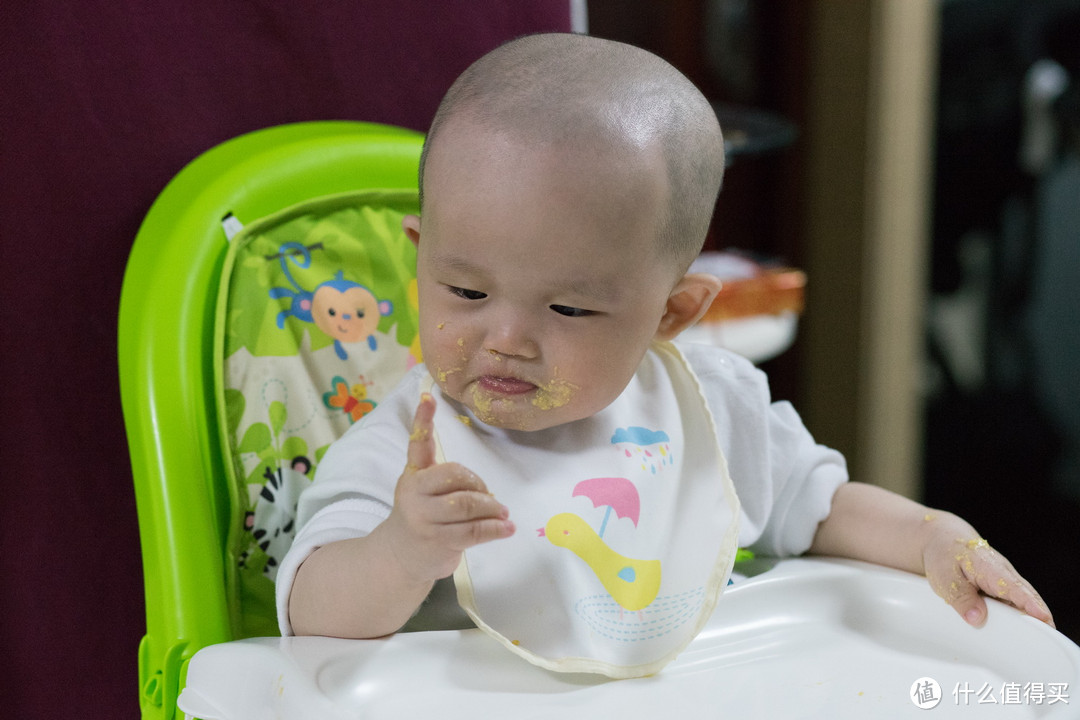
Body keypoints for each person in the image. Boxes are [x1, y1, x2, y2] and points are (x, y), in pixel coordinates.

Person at [277, 32, 1053, 673]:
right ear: (419, 260)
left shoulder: (709, 407)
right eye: (467, 294)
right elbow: (311, 615)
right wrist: (401, 552)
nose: (506, 339)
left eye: (570, 307)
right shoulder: (409, 451)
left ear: (671, 313)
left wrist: (930, 537)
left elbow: (816, 506)